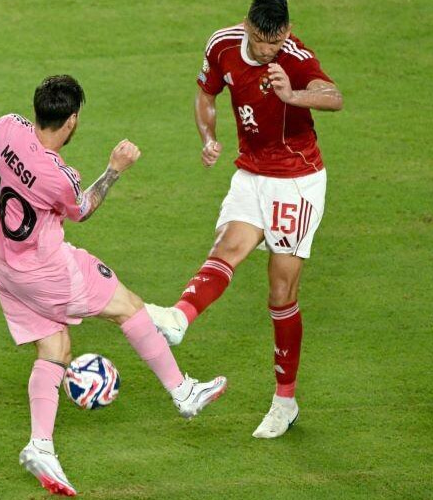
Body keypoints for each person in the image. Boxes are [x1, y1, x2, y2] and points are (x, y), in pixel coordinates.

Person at [0, 75, 227, 497]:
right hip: (49, 271)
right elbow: (83, 209)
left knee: (55, 350)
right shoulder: (61, 176)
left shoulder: (6, 126)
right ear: (72, 120)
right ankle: (183, 393)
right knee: (127, 306)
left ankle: (40, 446)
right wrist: (114, 170)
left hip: (4, 266)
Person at [145, 0, 342, 439]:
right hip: (252, 172)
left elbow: (334, 97)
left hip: (296, 181)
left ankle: (285, 402)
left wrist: (292, 95)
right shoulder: (222, 45)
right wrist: (208, 137)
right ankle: (179, 318)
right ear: (247, 25)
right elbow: (206, 94)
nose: (266, 49)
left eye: (275, 42)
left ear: (286, 31)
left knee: (280, 292)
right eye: (258, 39)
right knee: (228, 247)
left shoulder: (295, 57)